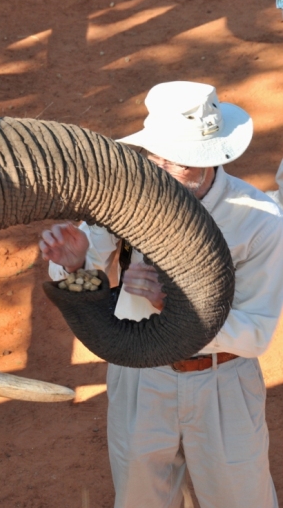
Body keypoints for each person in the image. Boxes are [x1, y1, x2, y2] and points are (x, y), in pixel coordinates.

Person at [40, 81, 283, 508]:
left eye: (183, 166)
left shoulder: (261, 222)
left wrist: (175, 309)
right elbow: (85, 264)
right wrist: (74, 262)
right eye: (159, 161)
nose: (166, 176)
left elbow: (255, 334)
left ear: (211, 160)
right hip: (141, 375)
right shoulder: (129, 198)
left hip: (222, 383)